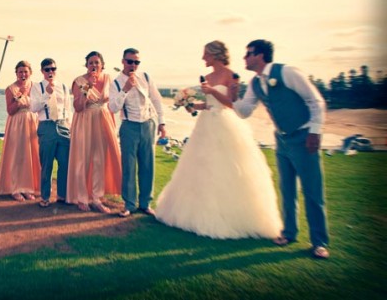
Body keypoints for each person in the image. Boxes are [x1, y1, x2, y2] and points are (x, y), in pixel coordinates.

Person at [154, 40, 283, 239]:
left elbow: (231, 104)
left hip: (224, 124)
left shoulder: (232, 76)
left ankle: (228, 216)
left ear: (215, 54)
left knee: (223, 169)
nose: (203, 57)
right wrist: (189, 104)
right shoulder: (207, 77)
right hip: (205, 125)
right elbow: (208, 104)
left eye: (206, 54)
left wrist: (213, 91)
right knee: (200, 168)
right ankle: (195, 213)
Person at [233, 39, 330, 259]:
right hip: (282, 140)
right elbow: (245, 111)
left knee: (312, 192)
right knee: (287, 190)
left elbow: (315, 101)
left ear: (260, 55)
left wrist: (315, 131)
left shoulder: (287, 72)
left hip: (305, 137)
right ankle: (289, 233)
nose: (244, 58)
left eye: (248, 54)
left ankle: (319, 242)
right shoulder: (255, 83)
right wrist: (232, 98)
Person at [108, 48, 166, 218]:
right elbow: (113, 107)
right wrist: (125, 89)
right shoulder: (116, 83)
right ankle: (129, 204)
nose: (133, 65)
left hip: (148, 124)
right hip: (129, 126)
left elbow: (156, 100)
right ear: (123, 61)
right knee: (129, 167)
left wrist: (162, 123)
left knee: (148, 165)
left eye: (136, 62)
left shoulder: (146, 77)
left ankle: (146, 203)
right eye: (130, 61)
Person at [66, 51, 122, 213]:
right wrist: (87, 87)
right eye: (91, 62)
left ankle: (96, 198)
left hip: (103, 120)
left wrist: (112, 124)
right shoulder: (80, 81)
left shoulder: (108, 79)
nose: (94, 65)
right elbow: (77, 107)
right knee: (83, 159)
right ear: (86, 65)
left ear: (102, 64)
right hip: (84, 120)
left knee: (99, 160)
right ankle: (82, 198)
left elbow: (113, 102)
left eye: (97, 62)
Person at [0, 60, 41, 201]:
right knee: (18, 156)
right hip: (17, 123)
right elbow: (10, 110)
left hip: (33, 121)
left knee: (31, 155)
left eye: (25, 71)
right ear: (16, 73)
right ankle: (15, 188)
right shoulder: (11, 89)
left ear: (30, 73)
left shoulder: (36, 87)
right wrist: (20, 96)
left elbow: (40, 106)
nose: (23, 74)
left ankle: (27, 188)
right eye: (20, 71)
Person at [30, 58, 72, 208]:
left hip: (62, 125)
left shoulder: (64, 87)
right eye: (47, 69)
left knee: (64, 163)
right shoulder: (37, 87)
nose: (50, 72)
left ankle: (62, 194)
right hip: (46, 126)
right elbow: (33, 108)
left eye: (53, 69)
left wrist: (69, 126)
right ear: (42, 71)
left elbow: (68, 108)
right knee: (46, 165)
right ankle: (45, 196)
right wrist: (46, 95)